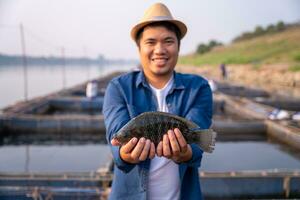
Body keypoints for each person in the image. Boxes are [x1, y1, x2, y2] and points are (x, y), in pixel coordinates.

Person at [103, 3, 212, 200]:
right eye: (150, 42)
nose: (159, 49)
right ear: (139, 48)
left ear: (179, 46)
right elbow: (115, 142)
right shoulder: (118, 87)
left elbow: (197, 139)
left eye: (168, 41)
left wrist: (185, 152)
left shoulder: (199, 87)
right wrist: (126, 154)